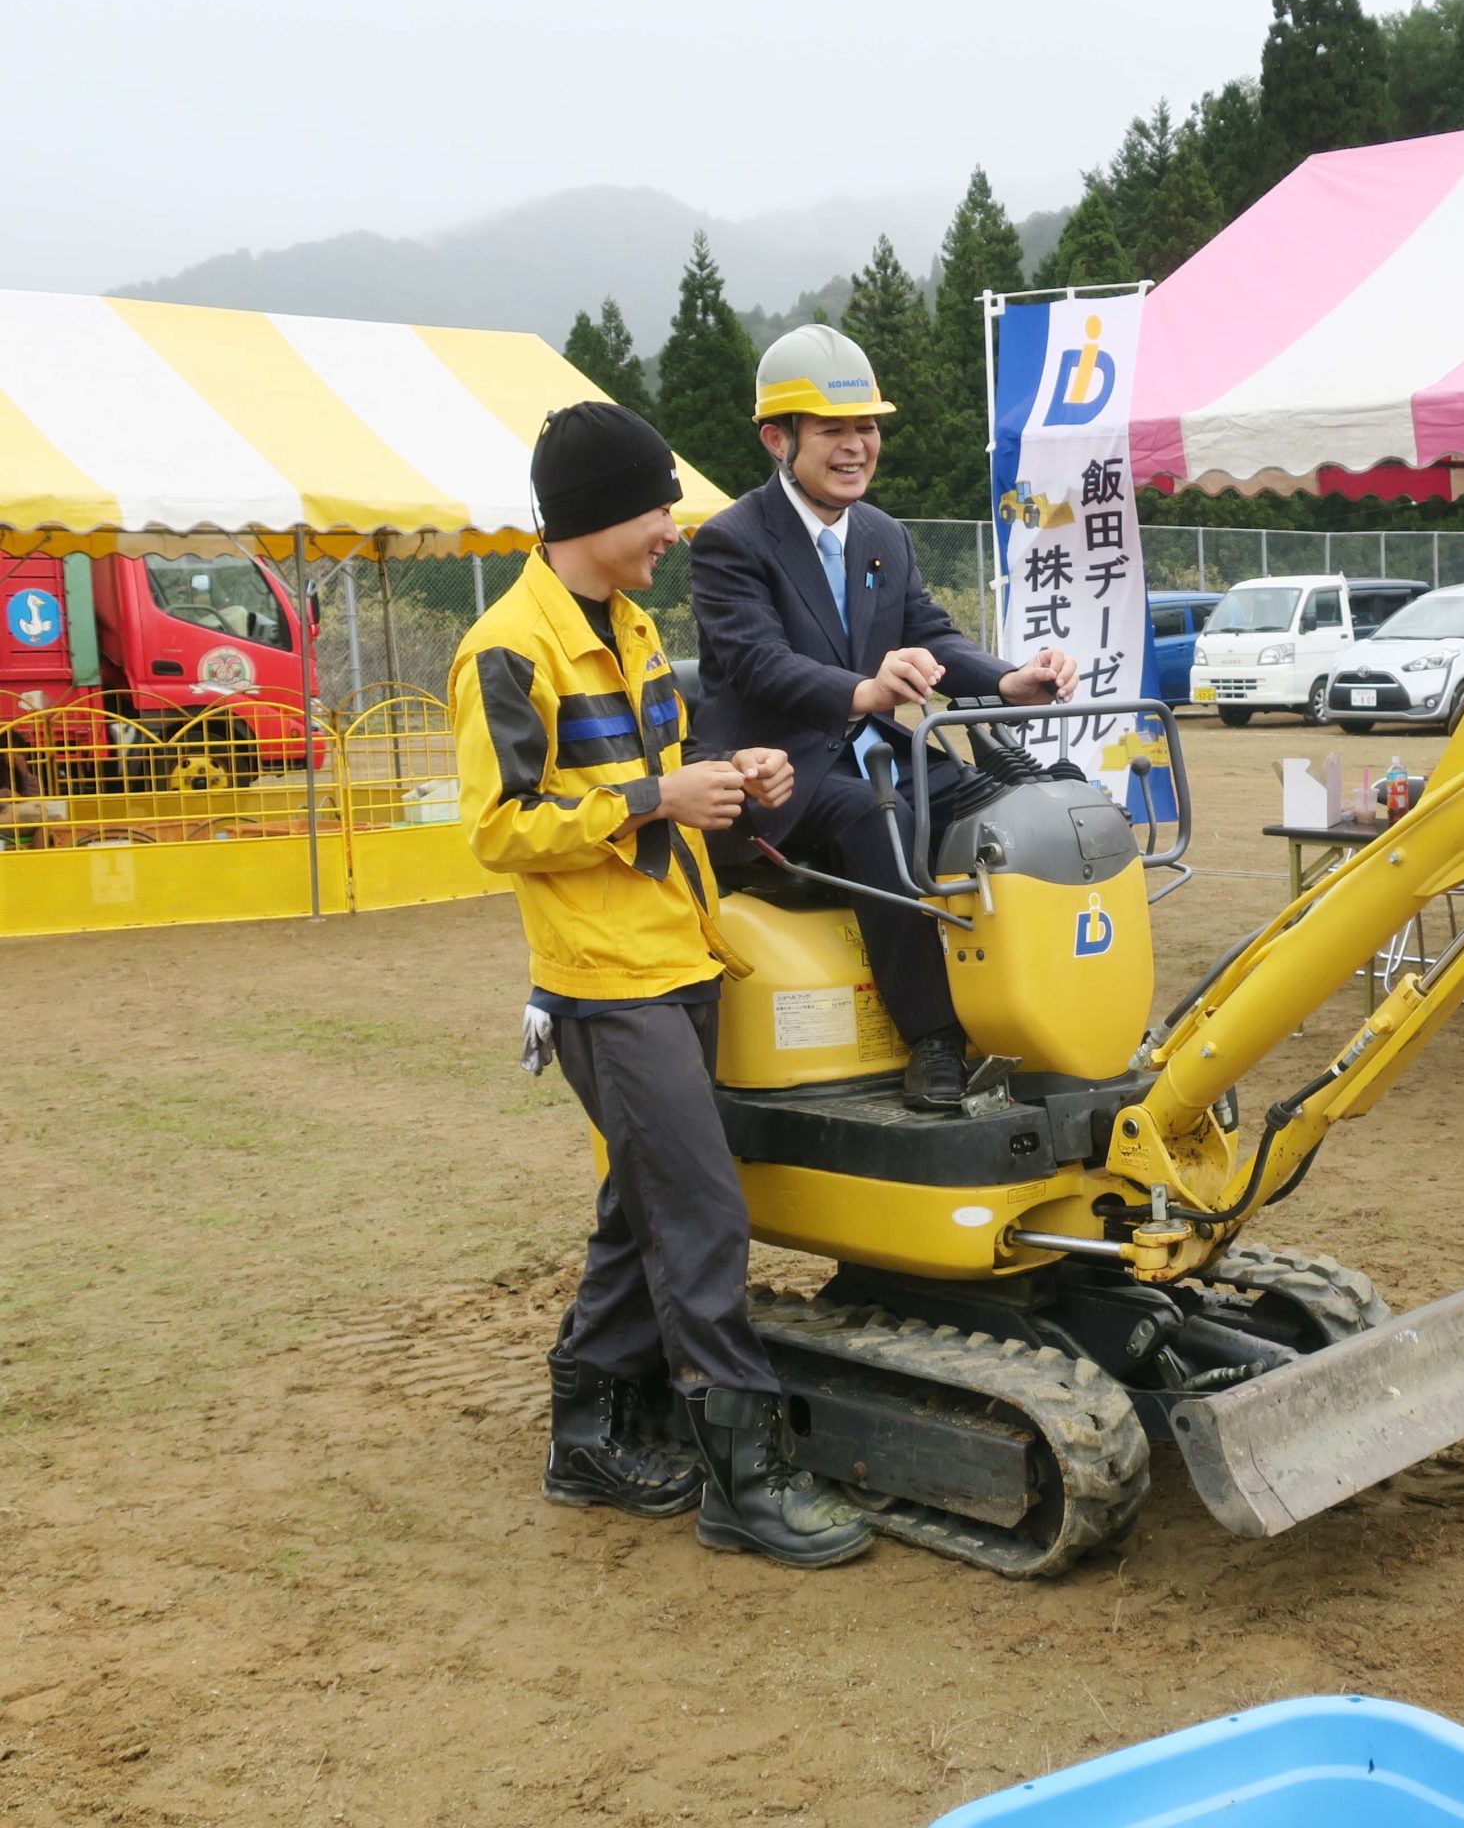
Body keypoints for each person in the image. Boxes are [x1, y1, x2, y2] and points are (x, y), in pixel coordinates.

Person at [448, 400, 873, 1570]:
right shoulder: (505, 648)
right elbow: (499, 829)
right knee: (699, 1216)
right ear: (596, 513)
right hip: (606, 982)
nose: (673, 531)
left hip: (683, 954)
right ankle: (745, 1477)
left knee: (644, 1202)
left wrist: (730, 773)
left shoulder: (630, 626)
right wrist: (656, 800)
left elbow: (658, 770)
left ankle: (589, 1434)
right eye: (657, 509)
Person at [689, 325, 1076, 1109]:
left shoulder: (882, 536)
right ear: (777, 439)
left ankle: (1041, 1011)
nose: (856, 446)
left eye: (866, 426)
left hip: (881, 754)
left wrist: (1009, 681)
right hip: (780, 772)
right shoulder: (731, 541)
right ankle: (933, 1039)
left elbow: (931, 636)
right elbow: (759, 662)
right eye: (832, 429)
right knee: (878, 814)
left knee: (1029, 807)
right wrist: (866, 691)